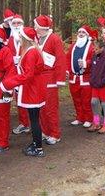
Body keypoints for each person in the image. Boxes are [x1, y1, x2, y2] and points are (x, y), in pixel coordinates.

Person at [0, 27, 47, 157]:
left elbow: (28, 75)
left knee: (34, 119)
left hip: (33, 89)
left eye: (20, 37)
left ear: (25, 39)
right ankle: (36, 143)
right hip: (33, 88)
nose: (19, 39)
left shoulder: (31, 52)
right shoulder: (30, 51)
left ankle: (38, 148)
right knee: (33, 118)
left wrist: (9, 83)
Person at [34, 15, 66, 145]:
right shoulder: (38, 39)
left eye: (36, 25)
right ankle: (45, 131)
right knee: (41, 107)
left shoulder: (54, 39)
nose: (34, 27)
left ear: (41, 27)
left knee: (50, 108)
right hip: (39, 77)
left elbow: (60, 59)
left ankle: (55, 133)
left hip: (50, 77)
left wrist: (60, 79)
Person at [7, 14, 31, 135]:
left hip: (26, 73)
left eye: (19, 23)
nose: (16, 26)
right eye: (14, 23)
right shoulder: (10, 39)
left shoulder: (28, 39)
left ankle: (97, 119)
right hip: (15, 73)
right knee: (19, 99)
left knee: (92, 103)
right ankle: (24, 123)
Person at [67, 25, 94, 127]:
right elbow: (67, 58)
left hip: (86, 78)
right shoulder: (73, 46)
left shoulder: (91, 46)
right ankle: (79, 117)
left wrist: (86, 63)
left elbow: (95, 59)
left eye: (83, 33)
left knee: (86, 100)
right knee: (76, 100)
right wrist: (67, 70)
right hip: (74, 78)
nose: (81, 34)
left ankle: (89, 119)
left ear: (87, 35)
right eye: (79, 32)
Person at [88, 39, 105, 134]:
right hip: (95, 84)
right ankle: (96, 122)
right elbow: (92, 68)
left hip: (104, 84)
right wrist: (92, 79)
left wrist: (103, 82)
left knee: (104, 104)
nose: (94, 50)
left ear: (102, 48)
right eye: (94, 48)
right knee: (93, 102)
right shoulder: (94, 55)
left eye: (96, 49)